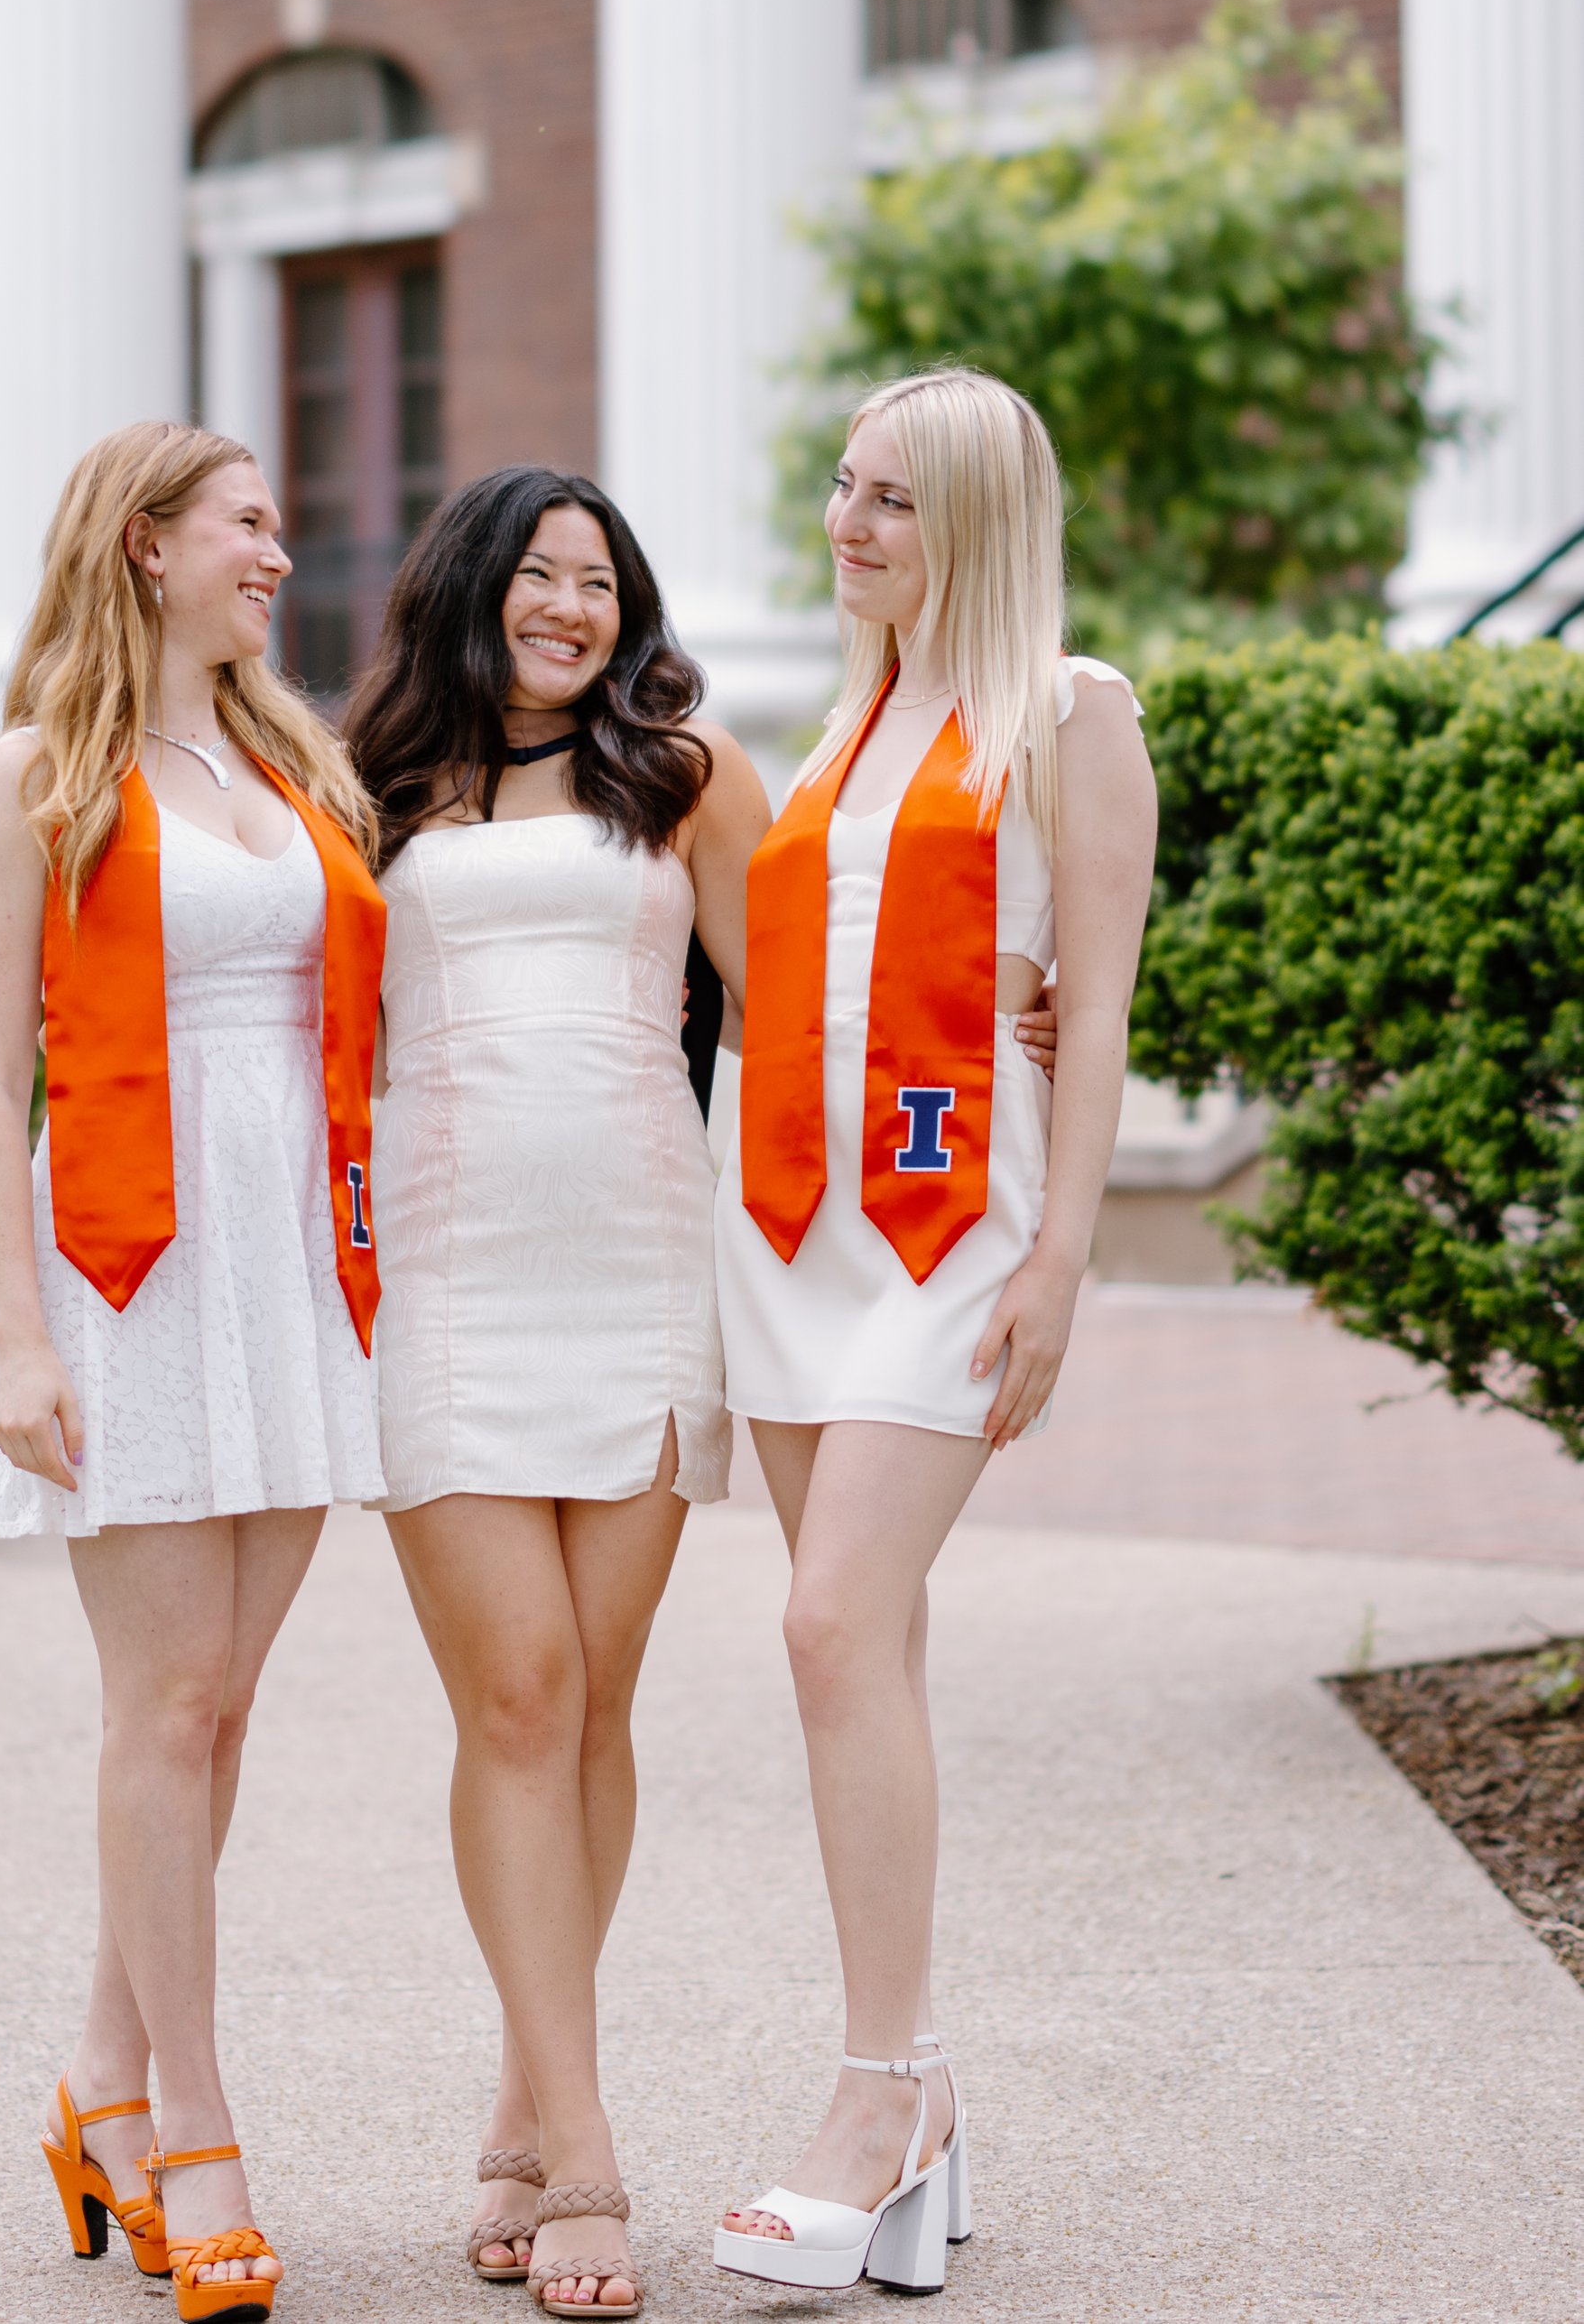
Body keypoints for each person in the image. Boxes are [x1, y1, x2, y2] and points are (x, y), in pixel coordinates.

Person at [709, 366, 1157, 2298]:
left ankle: (873, 2091)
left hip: (950, 1226)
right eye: (839, 486)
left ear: (971, 516)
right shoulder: (840, 731)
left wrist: (1061, 1253)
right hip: (788, 1228)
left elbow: (1099, 1005)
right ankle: (922, 2100)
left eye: (890, 497)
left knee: (825, 1621)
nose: (849, 522)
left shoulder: (1069, 713)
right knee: (852, 1641)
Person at [0, 421, 387, 2324]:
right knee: (166, 1695)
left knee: (223, 1713)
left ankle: (96, 2095)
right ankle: (190, 2131)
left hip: (289, 1254)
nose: (278, 555)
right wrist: (16, 1335)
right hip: (124, 1258)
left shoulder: (296, 762)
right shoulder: (31, 780)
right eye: (247, 525)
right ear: (146, 545)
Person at [342, 468, 770, 2316]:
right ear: (469, 587)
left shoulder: (680, 776)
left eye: (599, 582)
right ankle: (585, 2151)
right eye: (539, 574)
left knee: (593, 1710)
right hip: (442, 1289)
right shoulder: (369, 795)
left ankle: (526, 2097)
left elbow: (799, 1015)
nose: (570, 607)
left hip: (636, 1273)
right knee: (515, 1698)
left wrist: (1015, 1020)